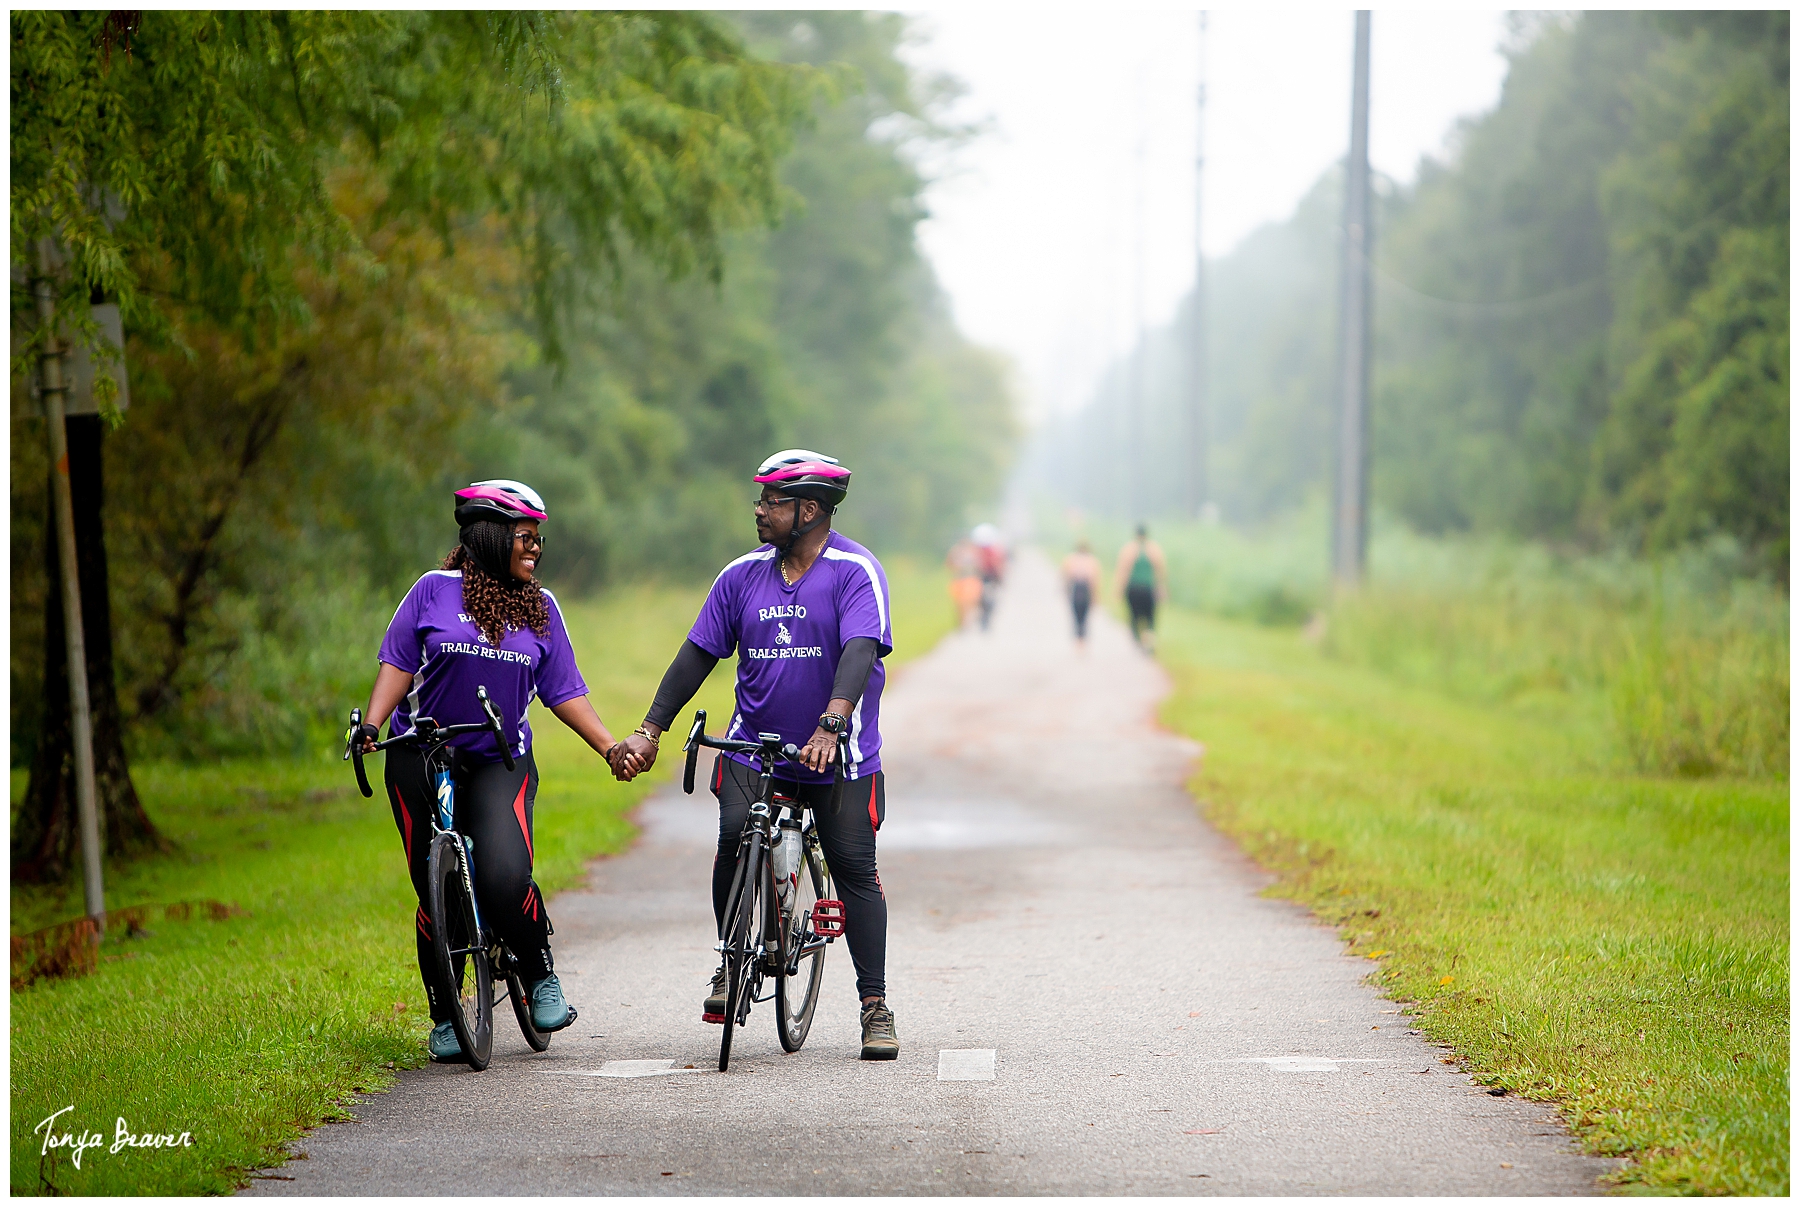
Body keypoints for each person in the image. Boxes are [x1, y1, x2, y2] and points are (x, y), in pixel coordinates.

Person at [608, 450, 899, 1061]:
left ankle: (874, 1006)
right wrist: (650, 729)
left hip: (838, 757)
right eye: (761, 500)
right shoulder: (741, 576)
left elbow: (861, 649)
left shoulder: (854, 570)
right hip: (753, 748)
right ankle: (731, 958)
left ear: (810, 509)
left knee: (853, 867)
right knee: (734, 839)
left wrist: (831, 724)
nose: (760, 511)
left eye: (772, 502)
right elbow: (695, 656)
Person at [351, 480, 624, 1063]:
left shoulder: (541, 608)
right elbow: (398, 662)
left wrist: (609, 748)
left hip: (499, 757)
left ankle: (537, 968)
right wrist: (372, 725)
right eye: (525, 537)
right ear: (491, 537)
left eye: (538, 539)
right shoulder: (432, 592)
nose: (535, 549)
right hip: (419, 753)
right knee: (435, 884)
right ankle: (446, 1013)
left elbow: (564, 692)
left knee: (502, 872)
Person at [1114, 523, 1167, 650]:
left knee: (1134, 616)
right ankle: (1148, 643)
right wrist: (1161, 588)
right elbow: (1160, 571)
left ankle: (1138, 640)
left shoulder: (1129, 549)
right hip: (1148, 588)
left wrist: (1119, 589)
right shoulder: (1154, 549)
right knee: (1150, 618)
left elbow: (1123, 570)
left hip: (1133, 588)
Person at [1061, 539, 1101, 644]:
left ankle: (1079, 637)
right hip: (1086, 588)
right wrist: (1095, 595)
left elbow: (1067, 576)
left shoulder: (1071, 559)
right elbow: (1094, 580)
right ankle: (1082, 637)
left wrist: (1067, 591)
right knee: (1085, 613)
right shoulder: (1092, 560)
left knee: (1076, 612)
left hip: (1076, 588)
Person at [971, 523, 1007, 631]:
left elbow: (997, 565)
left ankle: (985, 618)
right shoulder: (977, 551)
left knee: (989, 599)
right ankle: (982, 617)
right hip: (981, 578)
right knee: (981, 599)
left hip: (989, 578)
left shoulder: (991, 551)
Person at [946, 536, 983, 628]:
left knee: (971, 601)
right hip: (959, 579)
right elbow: (949, 564)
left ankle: (968, 620)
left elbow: (978, 565)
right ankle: (962, 621)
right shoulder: (955, 552)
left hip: (970, 579)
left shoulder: (972, 552)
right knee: (960, 603)